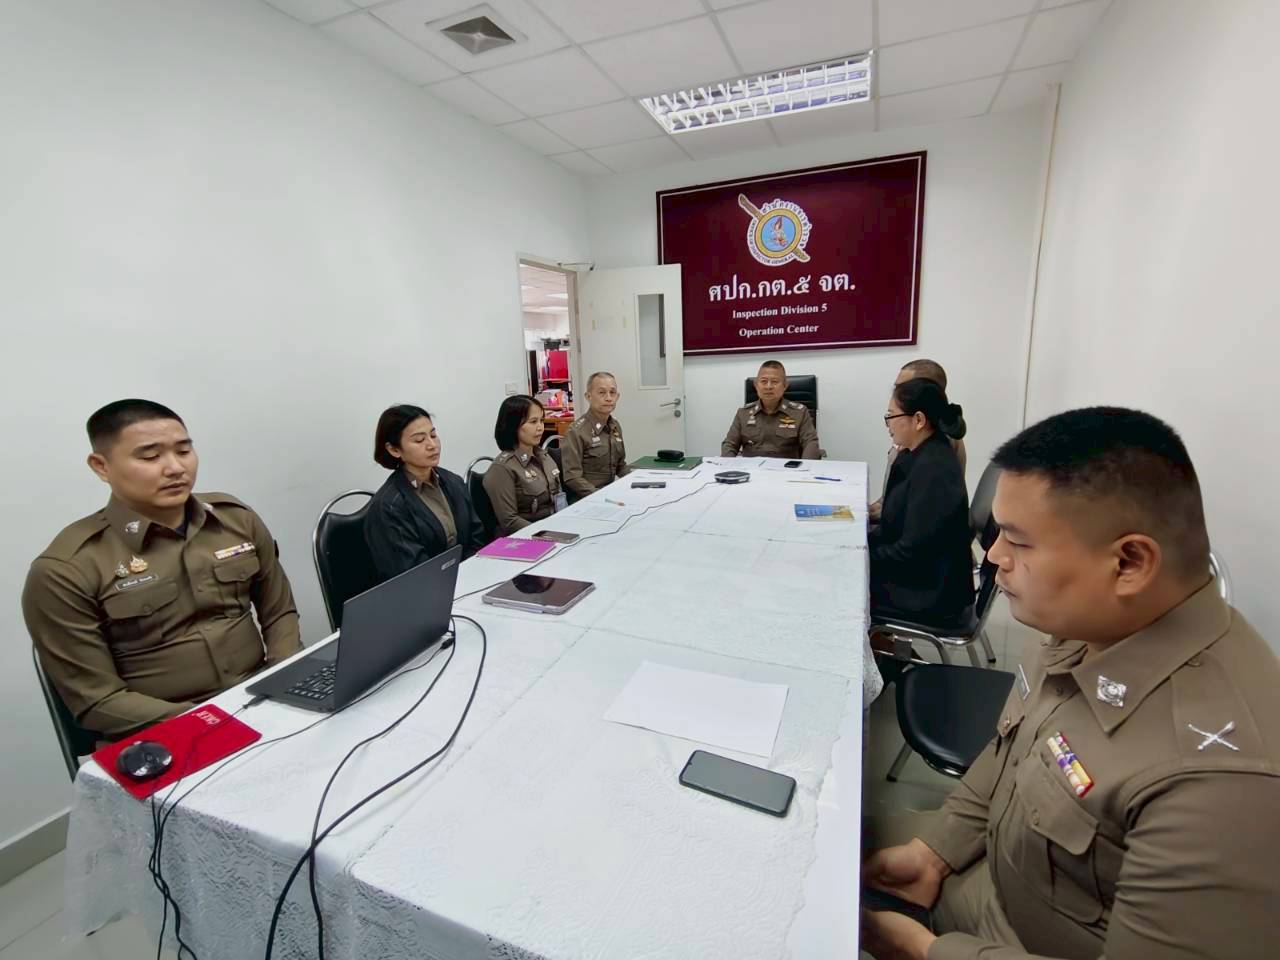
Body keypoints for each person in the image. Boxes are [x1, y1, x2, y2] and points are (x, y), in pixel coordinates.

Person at [861, 407, 1280, 960]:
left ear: (1129, 563)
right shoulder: (1089, 623)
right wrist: (934, 852)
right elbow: (1008, 752)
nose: (993, 557)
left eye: (1018, 542)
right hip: (985, 868)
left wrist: (925, 951)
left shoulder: (1222, 785)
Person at [21, 399, 301, 741]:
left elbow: (279, 613)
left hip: (262, 699)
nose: (175, 468)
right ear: (101, 466)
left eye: (183, 451)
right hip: (163, 732)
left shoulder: (235, 520)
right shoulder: (67, 568)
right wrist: (214, 722)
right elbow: (97, 701)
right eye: (150, 457)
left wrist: (284, 678)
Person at [869, 378, 974, 621]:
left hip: (928, 592)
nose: (888, 424)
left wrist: (860, 556)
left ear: (918, 420)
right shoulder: (916, 454)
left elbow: (912, 554)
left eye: (891, 416)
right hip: (918, 575)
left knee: (836, 582)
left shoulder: (934, 469)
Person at [364, 404, 485, 579]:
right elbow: (412, 570)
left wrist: (469, 572)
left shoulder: (453, 481)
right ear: (394, 450)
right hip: (426, 588)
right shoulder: (389, 506)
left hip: (468, 577)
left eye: (433, 435)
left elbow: (477, 535)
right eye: (419, 440)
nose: (432, 445)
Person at [870, 358, 967, 520]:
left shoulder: (936, 451)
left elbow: (922, 513)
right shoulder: (913, 436)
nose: (896, 392)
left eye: (903, 387)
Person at [483, 395, 565, 535]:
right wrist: (548, 534)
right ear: (514, 426)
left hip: (556, 524)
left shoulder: (544, 456)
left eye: (541, 421)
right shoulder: (502, 468)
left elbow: (559, 499)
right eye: (533, 422)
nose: (540, 428)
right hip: (529, 535)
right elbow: (510, 521)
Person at [721, 360, 821, 459]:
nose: (768, 387)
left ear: (785, 386)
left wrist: (805, 467)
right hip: (751, 468)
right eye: (764, 381)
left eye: (774, 382)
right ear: (756, 385)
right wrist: (728, 465)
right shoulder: (743, 413)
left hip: (786, 468)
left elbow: (810, 444)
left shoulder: (799, 413)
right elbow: (729, 445)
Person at [560, 372, 630, 501]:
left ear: (617, 396)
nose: (608, 398)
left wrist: (636, 482)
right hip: (585, 498)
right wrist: (600, 496)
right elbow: (572, 477)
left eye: (612, 392)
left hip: (609, 494)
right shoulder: (576, 431)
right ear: (588, 396)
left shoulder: (615, 426)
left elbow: (620, 466)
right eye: (602, 393)